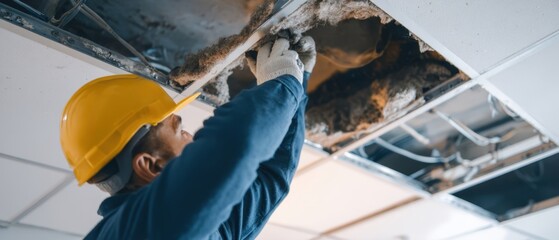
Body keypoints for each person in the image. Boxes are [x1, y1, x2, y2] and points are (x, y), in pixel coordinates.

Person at [59, 36, 316, 239]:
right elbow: (232, 151)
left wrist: (296, 80)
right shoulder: (139, 233)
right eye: (177, 131)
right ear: (150, 165)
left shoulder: (169, 227)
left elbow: (266, 177)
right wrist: (284, 84)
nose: (189, 136)